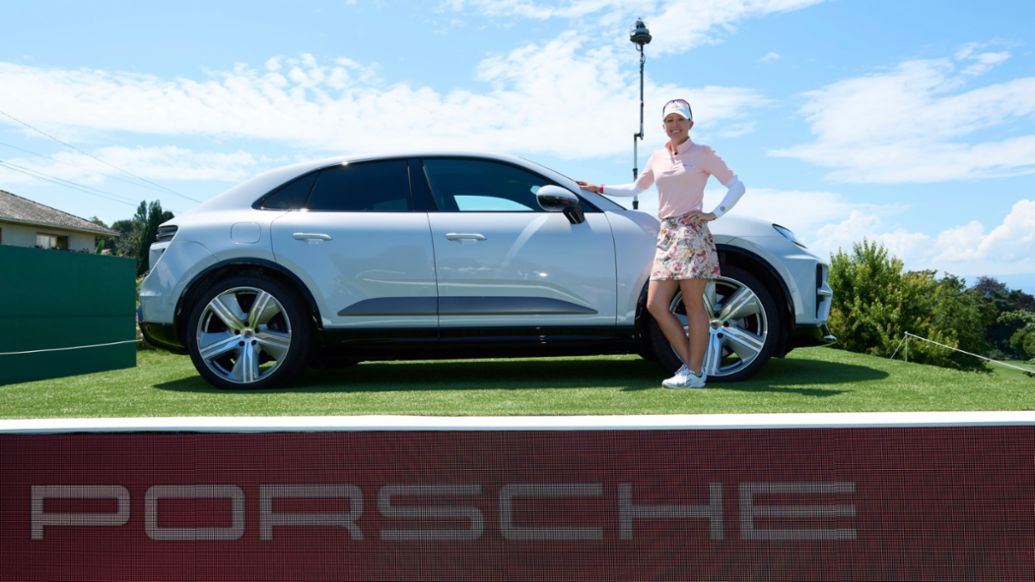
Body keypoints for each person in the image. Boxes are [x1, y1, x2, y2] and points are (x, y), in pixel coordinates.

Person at [577, 98, 746, 389]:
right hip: (667, 234)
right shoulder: (658, 157)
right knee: (656, 304)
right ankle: (693, 369)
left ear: (691, 124)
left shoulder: (704, 153)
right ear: (663, 125)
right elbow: (635, 188)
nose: (675, 125)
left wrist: (713, 214)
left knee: (694, 305)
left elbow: (736, 186)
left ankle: (693, 372)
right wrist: (598, 188)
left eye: (680, 119)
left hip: (692, 234)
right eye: (670, 120)